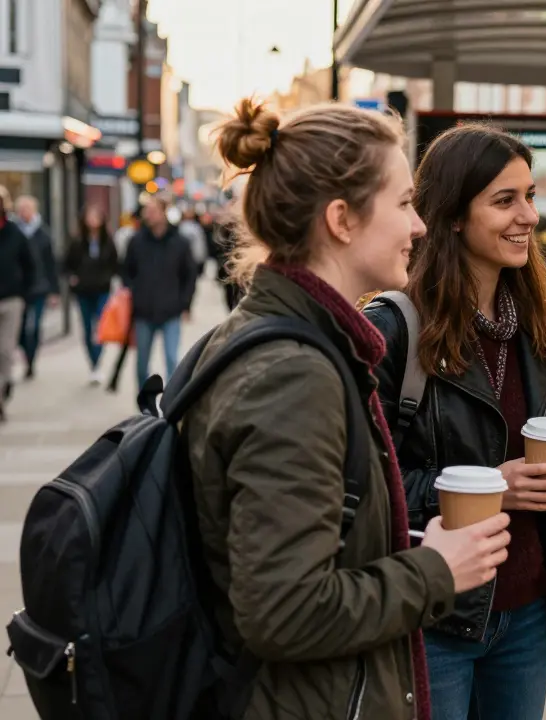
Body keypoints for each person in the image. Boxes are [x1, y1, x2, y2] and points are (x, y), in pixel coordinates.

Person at [180, 98, 514, 720]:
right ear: (341, 219)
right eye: (404, 203)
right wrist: (435, 570)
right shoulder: (294, 375)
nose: (419, 226)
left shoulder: (290, 341)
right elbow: (285, 611)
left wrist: (410, 541)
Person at [364, 123, 546, 720]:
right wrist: (495, 485)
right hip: (436, 615)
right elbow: (363, 490)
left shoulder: (539, 328)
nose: (529, 216)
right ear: (454, 216)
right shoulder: (394, 330)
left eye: (531, 196)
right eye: (505, 200)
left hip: (528, 608)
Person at [121, 194, 197, 391]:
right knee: (141, 363)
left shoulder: (179, 242)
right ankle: (144, 404)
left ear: (164, 213)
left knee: (172, 359)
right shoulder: (136, 241)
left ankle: (171, 404)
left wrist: (186, 304)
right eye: (147, 211)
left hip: (171, 310)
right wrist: (134, 293)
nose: (149, 215)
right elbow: (126, 271)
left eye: (154, 211)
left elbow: (189, 275)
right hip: (143, 312)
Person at [64, 205, 120, 385]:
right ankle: (93, 363)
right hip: (83, 290)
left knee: (101, 328)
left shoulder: (108, 241)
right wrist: (73, 278)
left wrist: (109, 278)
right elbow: (67, 264)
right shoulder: (77, 241)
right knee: (87, 328)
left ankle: (97, 361)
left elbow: (115, 263)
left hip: (102, 289)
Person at [14, 195, 59, 380]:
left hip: (39, 287)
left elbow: (51, 264)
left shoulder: (43, 234)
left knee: (34, 326)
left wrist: (54, 290)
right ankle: (26, 354)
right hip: (18, 289)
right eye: (21, 209)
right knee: (21, 329)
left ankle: (30, 361)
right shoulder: (13, 232)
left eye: (28, 209)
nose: (25, 212)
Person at [0, 185, 34, 421]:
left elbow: (30, 265)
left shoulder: (14, 233)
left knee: (5, 351)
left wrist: (23, 293)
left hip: (11, 299)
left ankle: (2, 389)